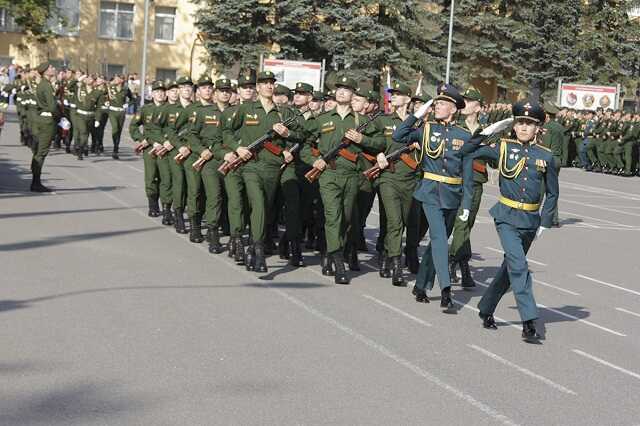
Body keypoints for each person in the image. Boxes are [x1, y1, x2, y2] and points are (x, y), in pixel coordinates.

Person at [462, 100, 559, 344]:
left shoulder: (546, 156)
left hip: (530, 219)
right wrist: (488, 131)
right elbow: (467, 150)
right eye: (520, 123)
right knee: (519, 265)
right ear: (514, 126)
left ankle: (486, 307)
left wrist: (545, 221)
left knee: (509, 270)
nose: (524, 128)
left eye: (530, 124)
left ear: (538, 128)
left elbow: (553, 192)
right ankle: (529, 321)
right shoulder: (502, 147)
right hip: (506, 216)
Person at [392, 84, 472, 310]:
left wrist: (466, 203)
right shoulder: (425, 128)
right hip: (429, 192)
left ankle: (420, 285)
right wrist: (417, 113)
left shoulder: (464, 136)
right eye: (436, 103)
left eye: (442, 104)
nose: (437, 106)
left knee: (436, 242)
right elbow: (399, 135)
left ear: (454, 109)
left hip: (453, 194)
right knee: (439, 239)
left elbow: (467, 172)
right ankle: (445, 288)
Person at [224, 70, 303, 273]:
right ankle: (258, 251)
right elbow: (227, 132)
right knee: (258, 203)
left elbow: (303, 135)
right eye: (265, 83)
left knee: (264, 209)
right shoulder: (246, 109)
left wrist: (288, 133)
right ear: (257, 87)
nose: (269, 86)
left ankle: (253, 244)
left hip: (273, 167)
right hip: (250, 166)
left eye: (271, 83)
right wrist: (237, 147)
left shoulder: (283, 112)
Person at [306, 76, 383, 284]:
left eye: (346, 89)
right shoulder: (321, 119)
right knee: (333, 216)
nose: (341, 92)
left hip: (352, 176)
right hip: (329, 174)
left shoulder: (359, 120)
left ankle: (331, 252)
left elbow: (380, 142)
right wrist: (314, 161)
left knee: (347, 219)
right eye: (339, 88)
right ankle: (338, 261)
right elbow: (305, 143)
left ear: (353, 94)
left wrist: (362, 140)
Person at [372, 81, 420, 286]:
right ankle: (396, 265)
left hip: (411, 179)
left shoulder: (418, 124)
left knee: (409, 222)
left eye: (398, 94)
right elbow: (369, 141)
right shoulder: (382, 120)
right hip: (388, 177)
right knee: (394, 221)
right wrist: (378, 153)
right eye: (392, 93)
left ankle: (390, 253)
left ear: (408, 99)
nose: (393, 96)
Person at [449, 87, 490, 288]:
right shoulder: (454, 126)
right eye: (463, 100)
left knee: (467, 225)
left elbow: (495, 162)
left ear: (479, 107)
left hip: (475, 182)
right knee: (460, 224)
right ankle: (458, 264)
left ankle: (457, 263)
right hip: (454, 181)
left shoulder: (486, 131)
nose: (464, 103)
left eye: (469, 100)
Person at [129, 80, 169, 218]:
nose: (160, 94)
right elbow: (133, 126)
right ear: (152, 94)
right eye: (157, 91)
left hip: (165, 149)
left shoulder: (170, 109)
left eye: (162, 91)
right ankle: (153, 204)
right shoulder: (145, 109)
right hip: (150, 149)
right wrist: (141, 139)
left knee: (165, 177)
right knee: (151, 177)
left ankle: (166, 206)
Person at [162, 76, 194, 234]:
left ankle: (192, 213)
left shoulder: (197, 108)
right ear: (179, 90)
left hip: (193, 151)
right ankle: (178, 214)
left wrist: (190, 146)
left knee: (192, 185)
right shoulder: (170, 109)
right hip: (176, 151)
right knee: (179, 183)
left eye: (189, 87)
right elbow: (168, 130)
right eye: (184, 87)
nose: (187, 90)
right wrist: (180, 146)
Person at [106, 74, 133, 159]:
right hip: (112, 111)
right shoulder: (110, 88)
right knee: (115, 128)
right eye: (115, 78)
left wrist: (127, 104)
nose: (116, 80)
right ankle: (115, 148)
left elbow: (133, 99)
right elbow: (101, 94)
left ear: (122, 80)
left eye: (118, 79)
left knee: (119, 131)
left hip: (121, 112)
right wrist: (105, 102)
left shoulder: (126, 89)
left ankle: (116, 148)